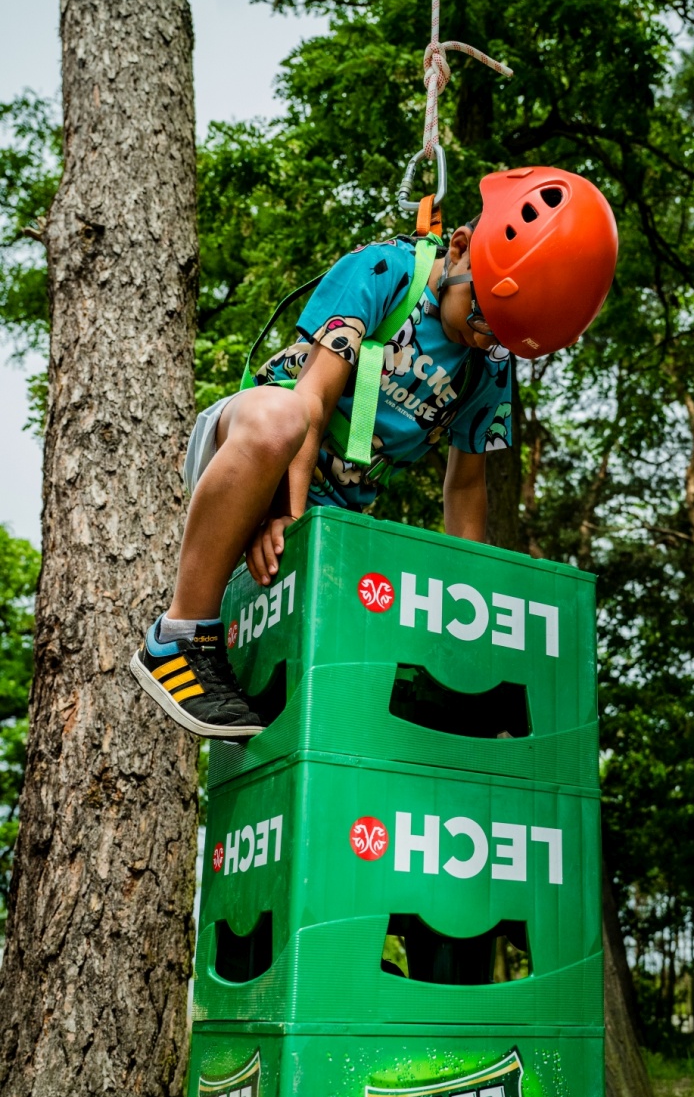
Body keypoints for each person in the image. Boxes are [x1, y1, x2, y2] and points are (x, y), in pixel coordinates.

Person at [131, 166, 618, 737]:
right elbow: (313, 401)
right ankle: (179, 636)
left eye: (503, 335)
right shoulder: (386, 270)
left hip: (333, 515)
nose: (486, 337)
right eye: (482, 314)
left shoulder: (487, 363)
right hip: (257, 453)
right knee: (283, 417)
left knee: (359, 657)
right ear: (461, 248)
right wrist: (287, 517)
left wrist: (473, 623)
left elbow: (465, 488)